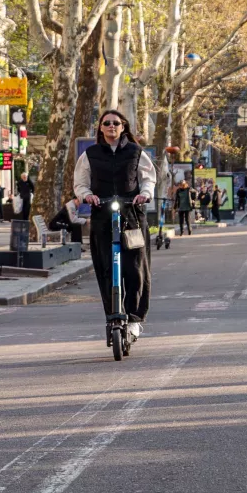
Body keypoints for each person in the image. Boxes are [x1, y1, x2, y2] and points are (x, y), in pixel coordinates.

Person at [73, 109, 155, 342]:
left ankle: (135, 319)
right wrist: (87, 195)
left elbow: (149, 178)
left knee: (136, 268)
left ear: (123, 126)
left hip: (132, 216)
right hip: (102, 216)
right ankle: (113, 314)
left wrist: (145, 194)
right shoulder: (90, 154)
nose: (111, 126)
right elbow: (80, 183)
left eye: (115, 123)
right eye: (106, 123)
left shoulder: (135, 152)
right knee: (106, 268)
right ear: (100, 127)